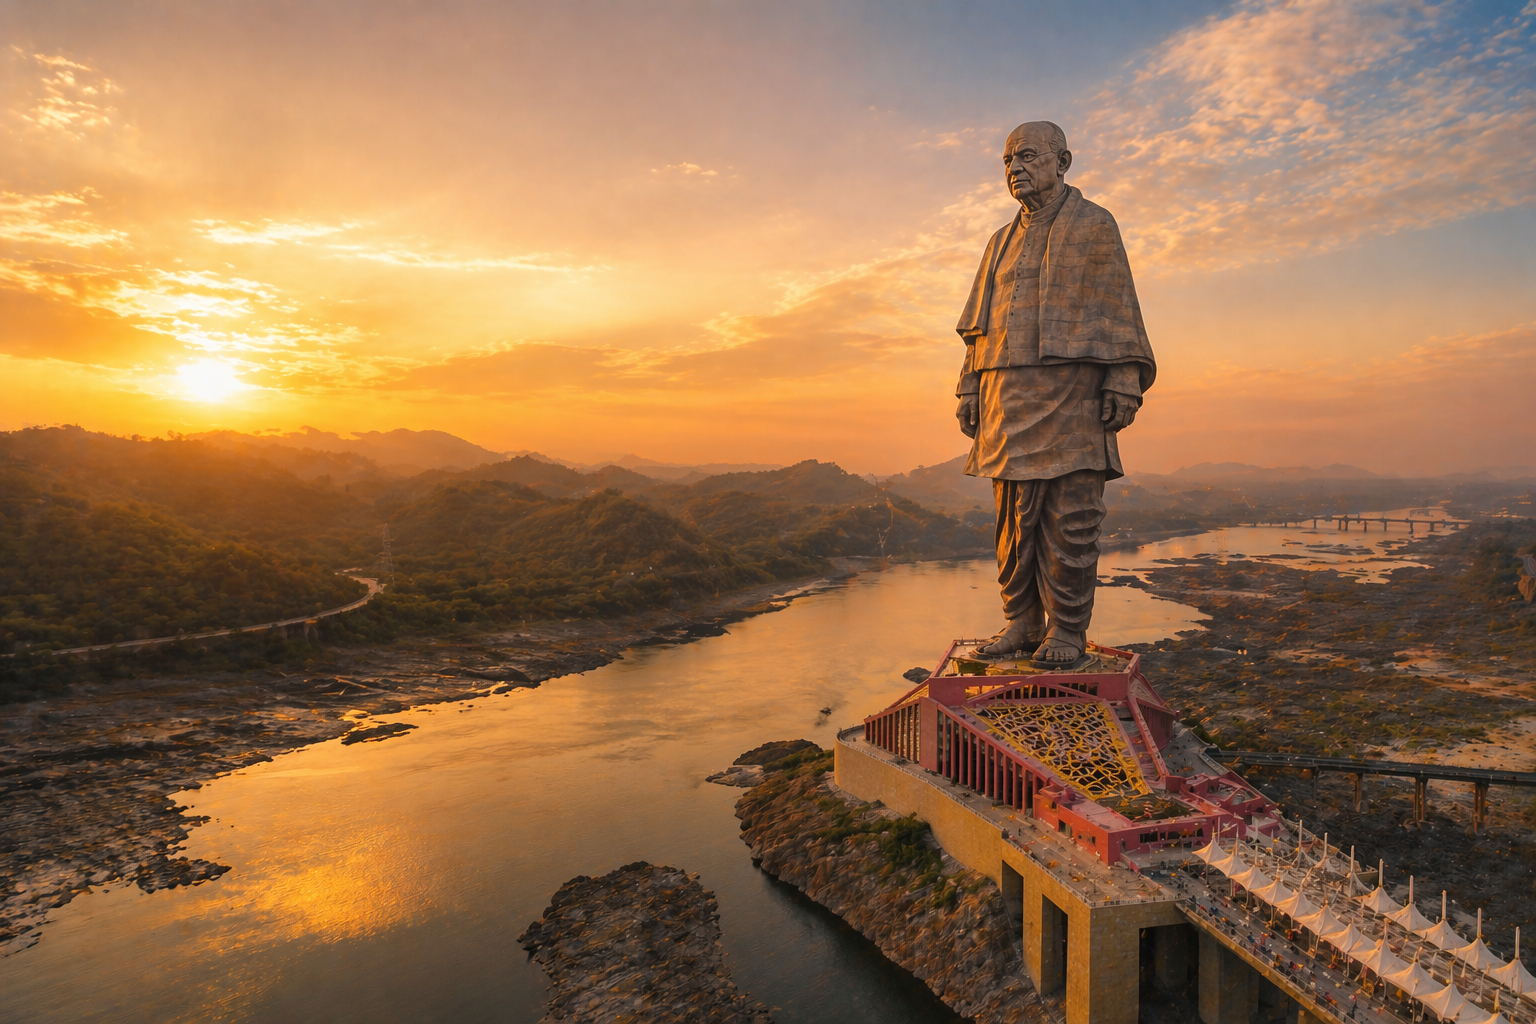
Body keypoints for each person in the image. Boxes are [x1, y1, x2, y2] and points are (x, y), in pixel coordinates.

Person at [955, 121, 1155, 665]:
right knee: (1012, 519)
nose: (1014, 169)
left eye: (1026, 156)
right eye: (1007, 161)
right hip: (1003, 390)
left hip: (1073, 390)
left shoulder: (1095, 224)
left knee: (1072, 517)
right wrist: (969, 387)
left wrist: (1123, 377)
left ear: (1062, 162)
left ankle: (1066, 628)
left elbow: (1118, 304)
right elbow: (978, 326)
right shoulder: (998, 241)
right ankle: (1021, 621)